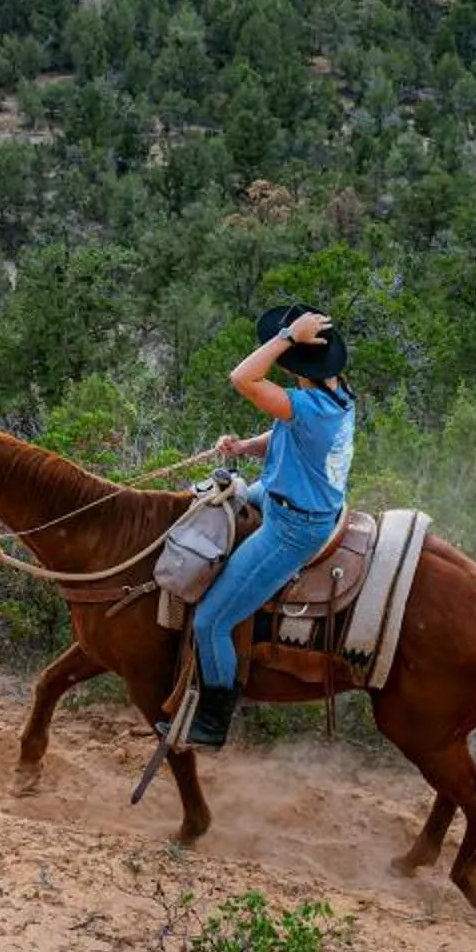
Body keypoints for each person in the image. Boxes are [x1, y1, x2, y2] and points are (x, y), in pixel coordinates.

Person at [180, 303, 355, 751]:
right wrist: (242, 447)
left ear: (297, 364)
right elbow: (284, 433)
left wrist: (286, 338)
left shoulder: (310, 407)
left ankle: (213, 719)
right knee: (208, 498)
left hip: (294, 525)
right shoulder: (337, 394)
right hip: (278, 493)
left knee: (211, 621)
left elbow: (242, 379)